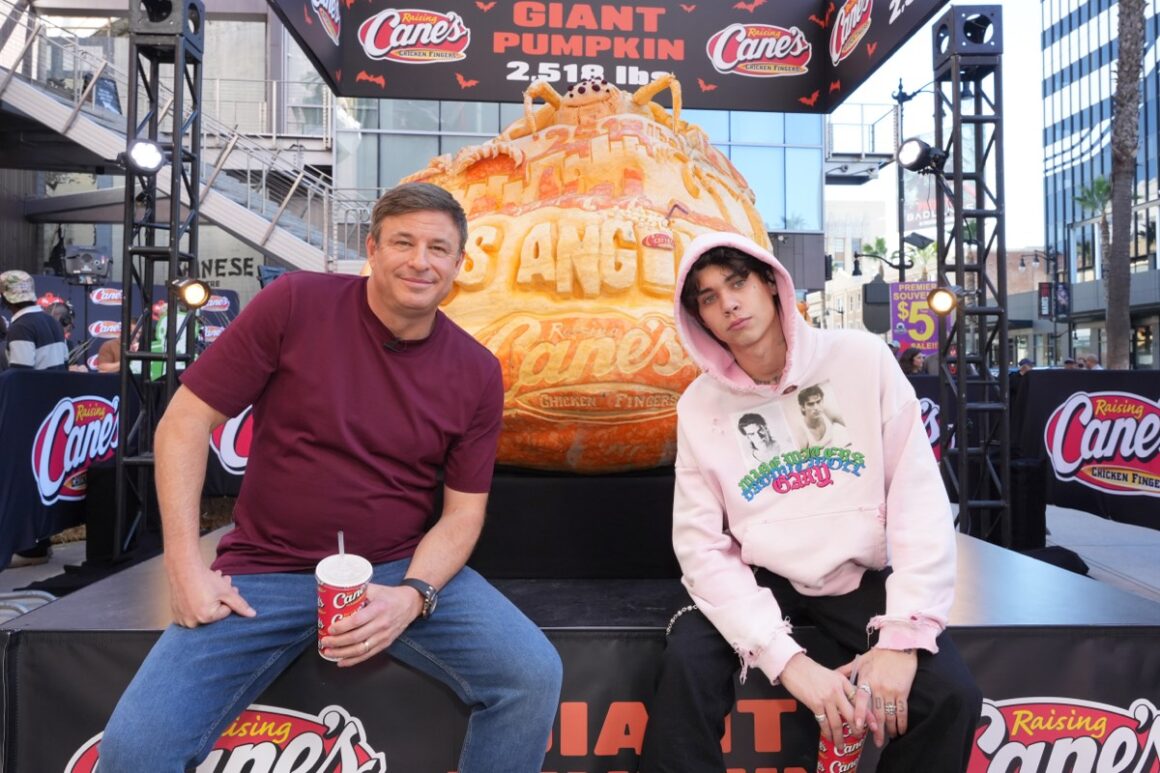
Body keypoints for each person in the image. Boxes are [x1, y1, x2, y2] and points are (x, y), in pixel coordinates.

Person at [99, 182, 563, 772]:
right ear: (371, 248)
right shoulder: (296, 303)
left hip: (394, 568)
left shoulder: (476, 370)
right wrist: (185, 567)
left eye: (438, 249)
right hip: (263, 571)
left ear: (458, 266)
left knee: (532, 675)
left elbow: (463, 514)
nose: (420, 261)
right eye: (403, 242)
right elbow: (184, 423)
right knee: (134, 750)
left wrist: (413, 596)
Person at [639, 232, 981, 772]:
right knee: (685, 667)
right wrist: (787, 662)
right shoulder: (699, 405)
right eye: (708, 297)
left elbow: (919, 502)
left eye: (737, 282)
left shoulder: (862, 359)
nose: (728, 303)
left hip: (854, 573)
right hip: (759, 575)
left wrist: (902, 639)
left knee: (951, 697)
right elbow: (699, 545)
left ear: (771, 284)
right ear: (699, 319)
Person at [2, 270, 69, 567]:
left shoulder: (21, 327)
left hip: (28, 415)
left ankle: (30, 549)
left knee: (22, 480)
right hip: (51, 413)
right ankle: (41, 544)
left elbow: (20, 376)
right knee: (43, 480)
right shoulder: (50, 321)